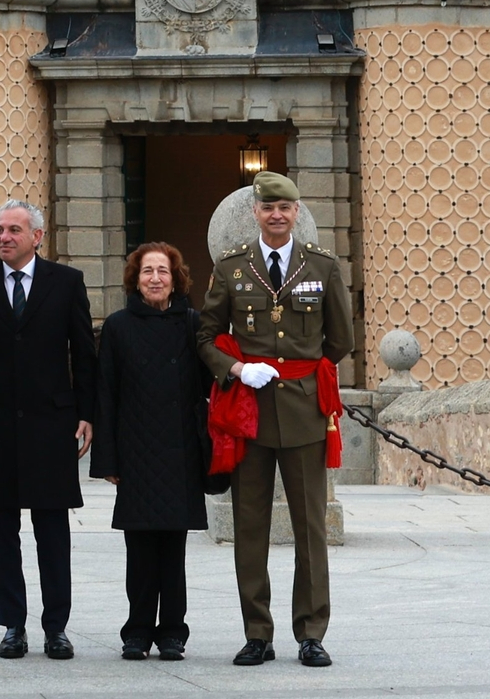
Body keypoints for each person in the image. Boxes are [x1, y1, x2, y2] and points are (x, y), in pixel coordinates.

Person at [197, 171, 353, 668]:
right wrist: (239, 368)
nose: (277, 215)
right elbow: (206, 337)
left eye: (285, 208)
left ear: (296, 211)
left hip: (305, 411)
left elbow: (340, 339)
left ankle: (311, 633)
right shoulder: (232, 267)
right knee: (250, 526)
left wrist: (299, 371)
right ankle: (257, 632)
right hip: (251, 413)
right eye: (269, 208)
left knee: (310, 527)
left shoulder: (322, 267)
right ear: (257, 213)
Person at [0, 198, 96, 661]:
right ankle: (13, 624)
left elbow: (84, 355)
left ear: (37, 236)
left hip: (53, 424)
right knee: (1, 531)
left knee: (52, 531)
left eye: (14, 230)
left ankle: (56, 628)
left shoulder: (66, 283)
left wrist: (88, 414)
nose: (4, 237)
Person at [90, 242, 212, 662]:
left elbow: (208, 386)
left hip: (180, 452)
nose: (156, 278)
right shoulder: (120, 326)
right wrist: (107, 459)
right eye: (147, 272)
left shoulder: (192, 324)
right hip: (136, 452)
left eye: (163, 271)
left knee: (173, 553)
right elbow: (105, 394)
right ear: (135, 279)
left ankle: (173, 633)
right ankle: (137, 632)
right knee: (140, 552)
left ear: (175, 279)